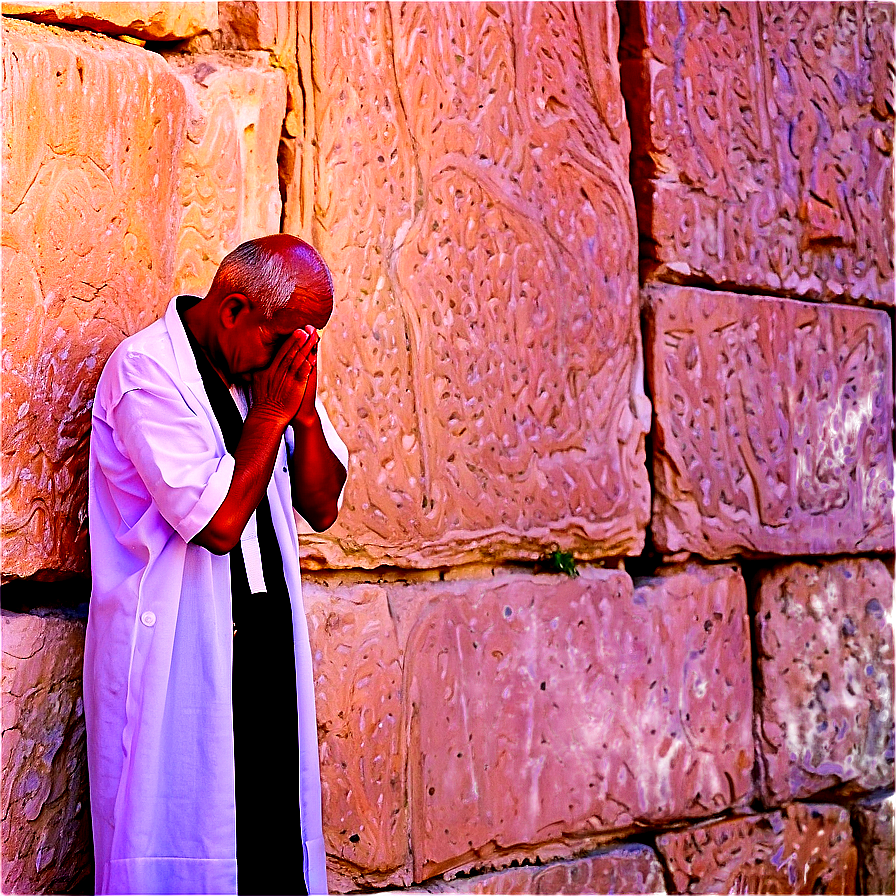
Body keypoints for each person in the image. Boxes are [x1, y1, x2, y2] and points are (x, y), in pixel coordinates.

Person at [83, 235, 348, 896]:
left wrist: (305, 414)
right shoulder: (146, 372)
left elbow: (322, 506)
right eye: (284, 337)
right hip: (180, 653)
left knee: (270, 850)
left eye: (308, 341)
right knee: (185, 849)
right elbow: (218, 524)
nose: (293, 355)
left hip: (263, 651)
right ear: (234, 312)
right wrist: (270, 416)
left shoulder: (270, 374)